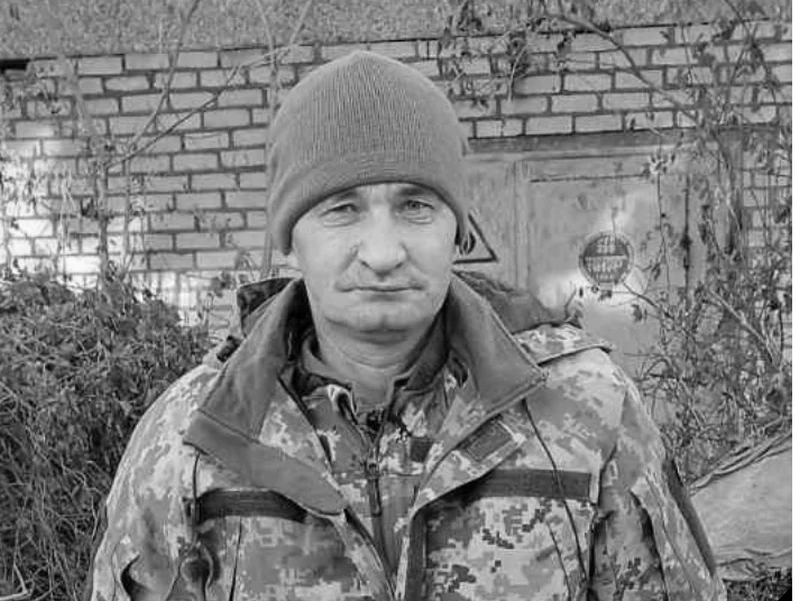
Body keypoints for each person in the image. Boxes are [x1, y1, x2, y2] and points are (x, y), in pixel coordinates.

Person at [86, 50, 725, 601]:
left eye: (415, 205)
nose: (384, 252)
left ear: (459, 232)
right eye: (342, 209)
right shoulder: (191, 439)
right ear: (289, 238)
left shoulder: (589, 408)